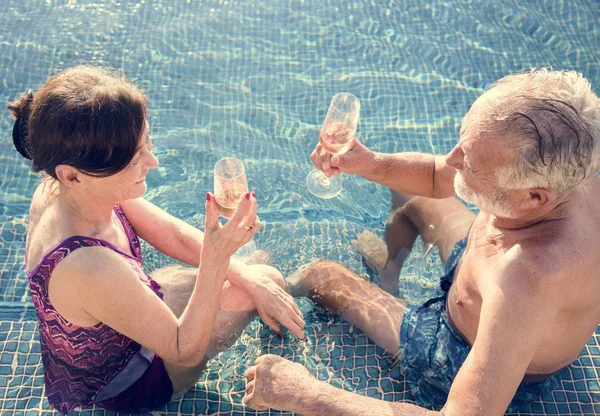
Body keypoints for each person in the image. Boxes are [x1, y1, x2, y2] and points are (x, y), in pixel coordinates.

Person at [244, 69, 600, 415]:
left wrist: (304, 394)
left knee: (321, 276)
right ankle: (388, 276)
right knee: (409, 189)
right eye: (463, 141)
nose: (452, 159)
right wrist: (368, 163)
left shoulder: (525, 280)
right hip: (480, 272)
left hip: (462, 352)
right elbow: (433, 175)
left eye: (471, 164)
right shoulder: (566, 173)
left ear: (533, 197)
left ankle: (274, 286)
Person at [8, 66, 305, 414]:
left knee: (257, 276)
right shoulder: (86, 265)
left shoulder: (71, 188)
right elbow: (183, 349)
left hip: (117, 319)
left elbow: (172, 234)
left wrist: (242, 272)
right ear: (72, 175)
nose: (153, 161)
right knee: (264, 279)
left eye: (146, 143)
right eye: (135, 159)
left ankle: (267, 286)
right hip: (127, 384)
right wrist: (218, 258)